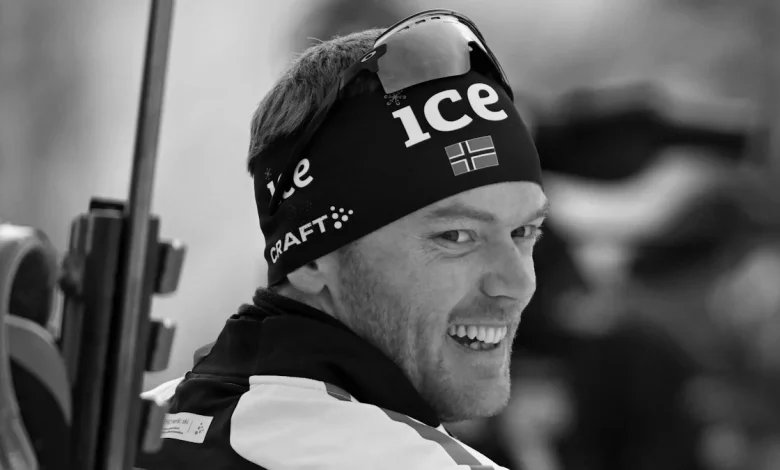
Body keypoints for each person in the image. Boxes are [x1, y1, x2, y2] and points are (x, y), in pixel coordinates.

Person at [138, 9, 547, 470]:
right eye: (456, 236)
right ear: (312, 259)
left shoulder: (120, 429)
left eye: (523, 232)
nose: (517, 282)